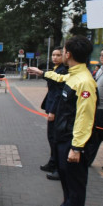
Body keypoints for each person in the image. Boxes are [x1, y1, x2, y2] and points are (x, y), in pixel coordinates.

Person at [28, 36, 96, 206]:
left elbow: (85, 118)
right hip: (63, 138)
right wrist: (42, 73)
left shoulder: (84, 81)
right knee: (66, 184)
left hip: (72, 143)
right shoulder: (72, 75)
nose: (62, 54)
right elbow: (60, 79)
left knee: (75, 187)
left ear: (69, 54)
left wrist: (76, 147)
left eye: (63, 51)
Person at [39, 47, 67, 181]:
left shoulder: (63, 71)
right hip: (51, 106)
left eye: (58, 55)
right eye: (53, 55)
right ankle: (52, 162)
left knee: (55, 138)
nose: (55, 57)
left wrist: (53, 111)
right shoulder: (55, 69)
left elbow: (58, 93)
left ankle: (58, 168)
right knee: (51, 137)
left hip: (55, 109)